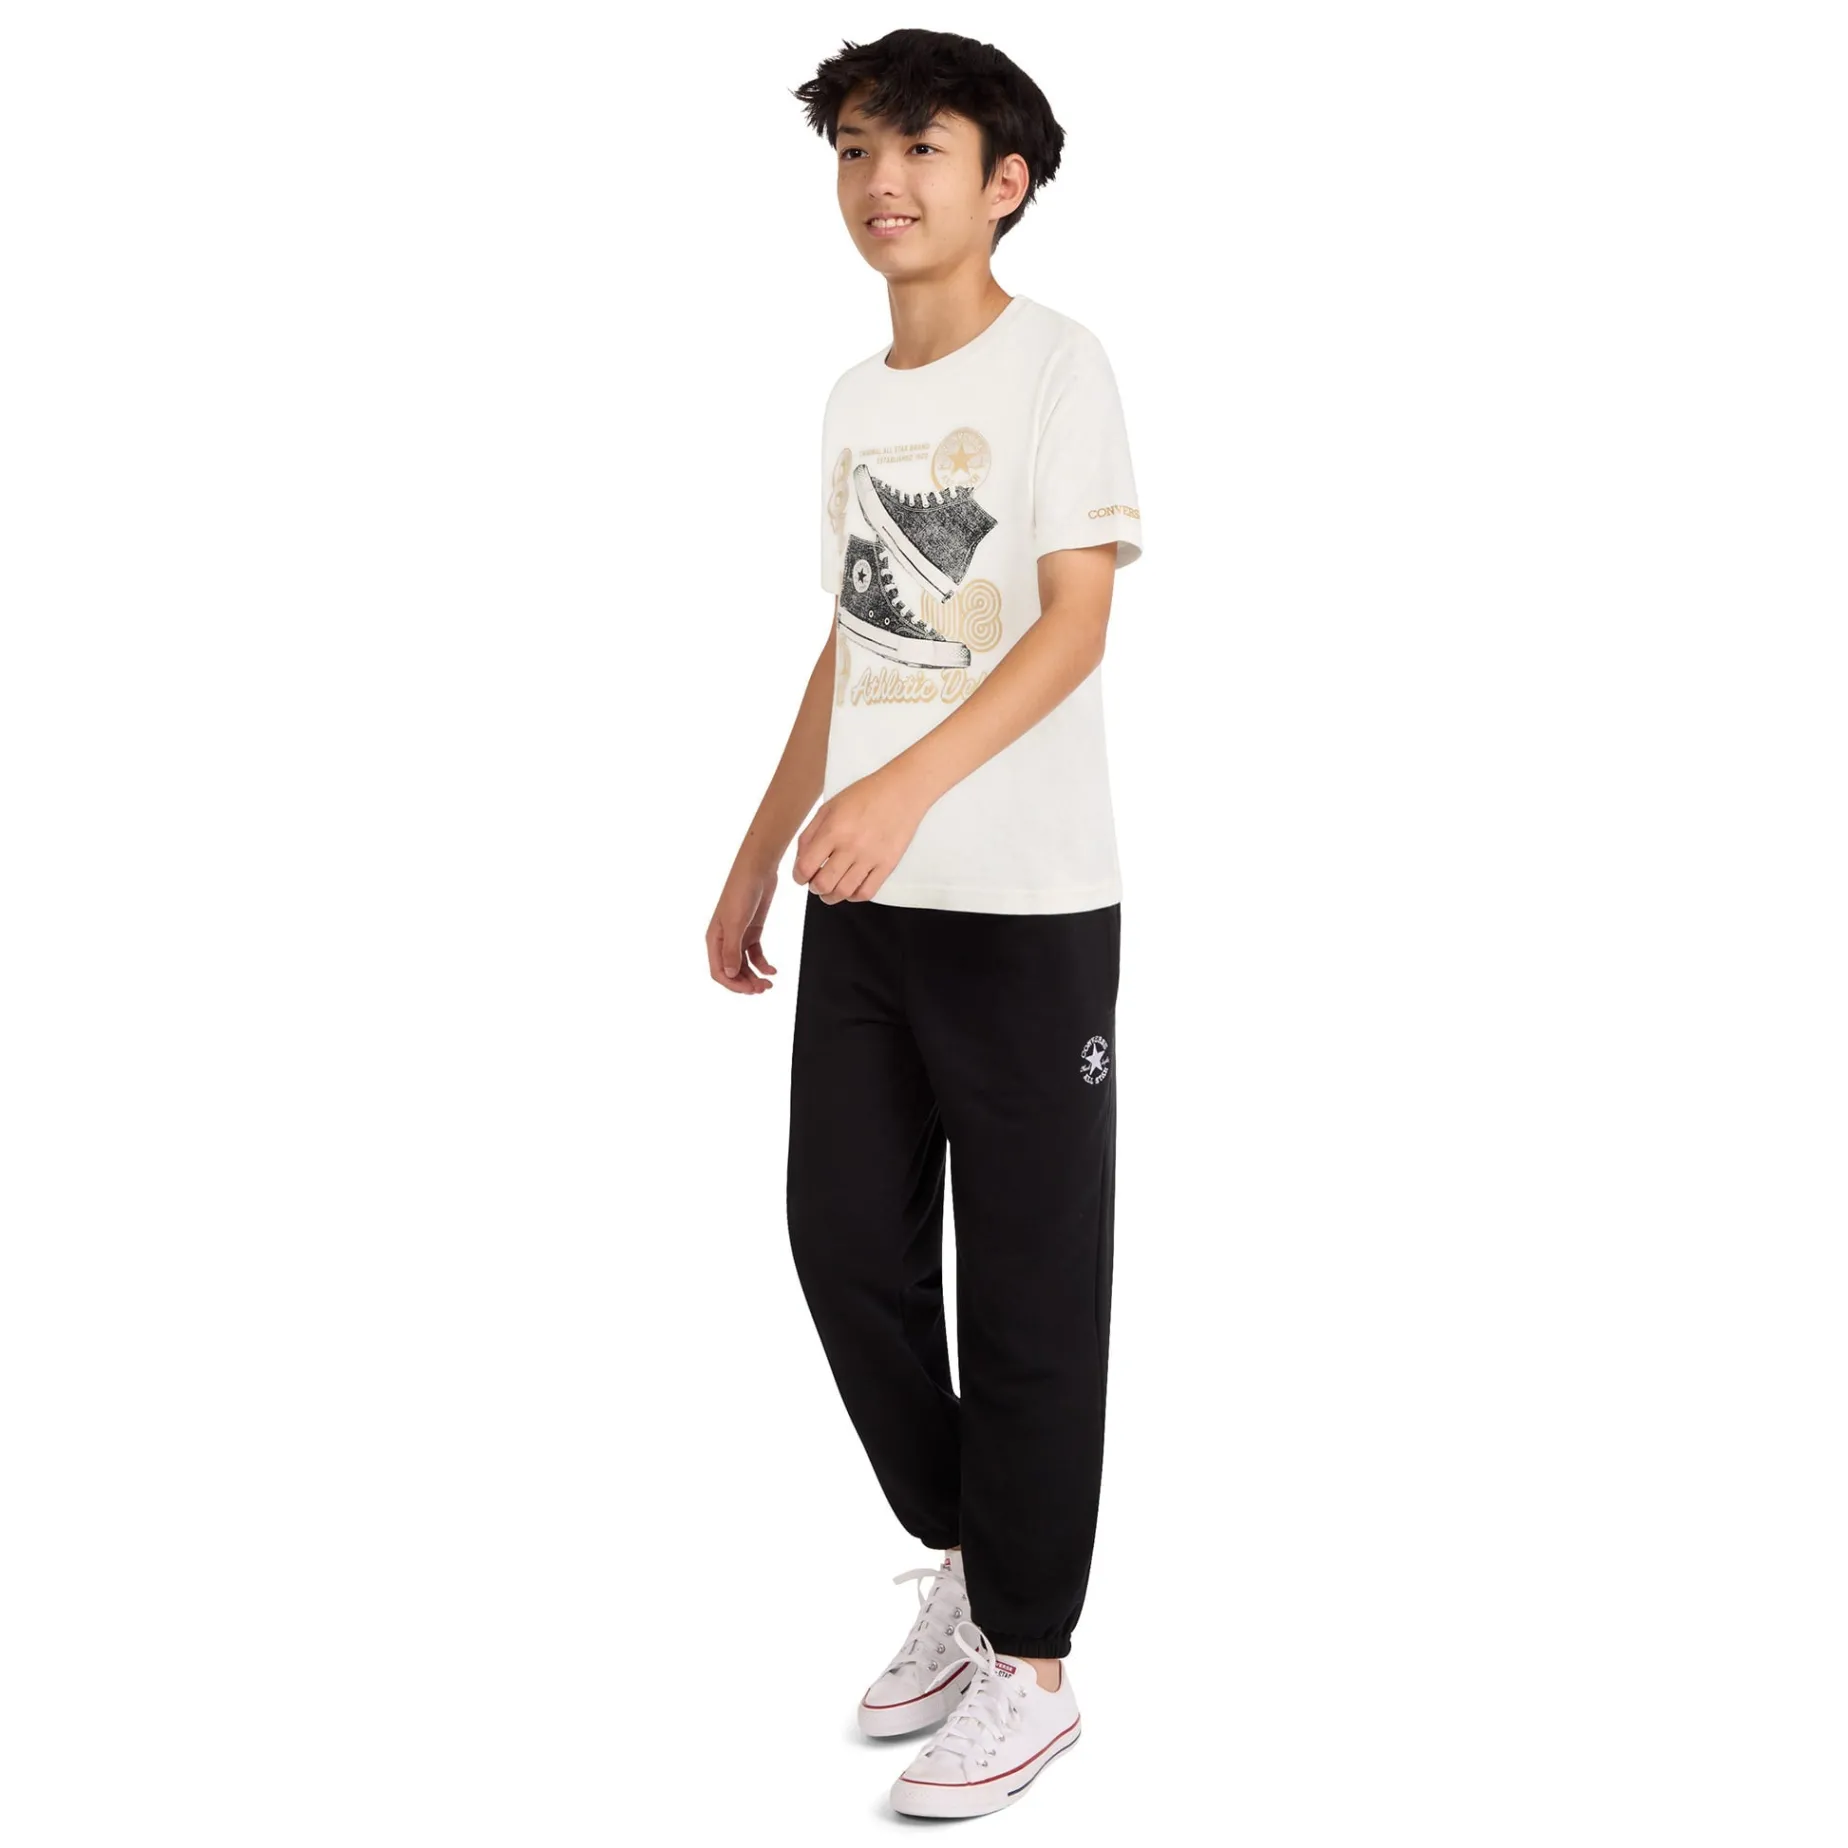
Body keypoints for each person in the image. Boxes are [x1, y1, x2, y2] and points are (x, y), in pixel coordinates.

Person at [705, 28, 1145, 1820]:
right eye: (856, 151)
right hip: (867, 908)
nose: (881, 181)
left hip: (1026, 908)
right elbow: (860, 637)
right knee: (843, 1244)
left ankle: (1030, 1666)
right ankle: (970, 1556)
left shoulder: (1060, 365)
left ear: (1005, 182)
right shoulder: (850, 400)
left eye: (922, 148)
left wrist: (904, 793)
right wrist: (759, 849)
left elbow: (1072, 622)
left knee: (1030, 1286)